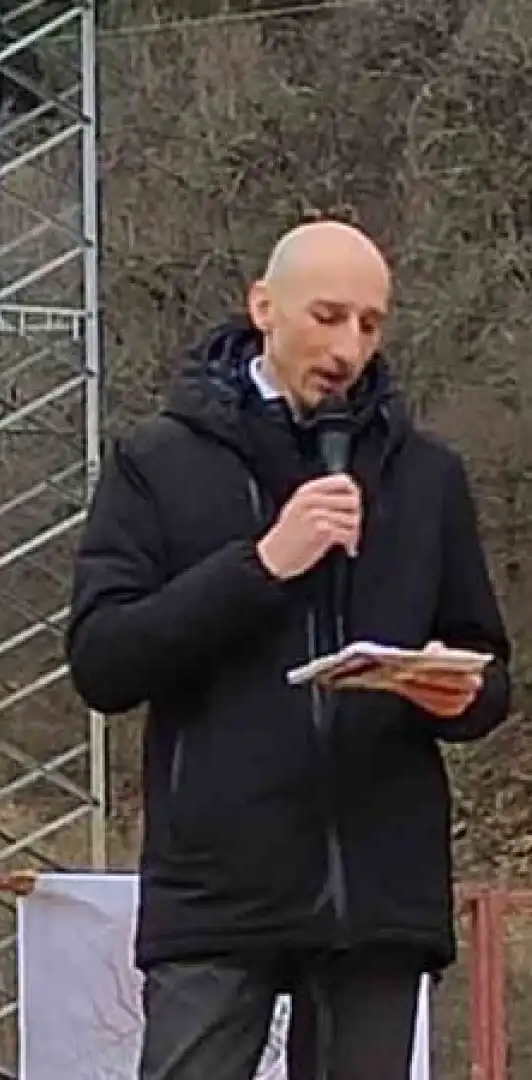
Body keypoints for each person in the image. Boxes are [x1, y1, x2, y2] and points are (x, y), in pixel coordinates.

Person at [66, 218, 512, 1080]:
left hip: (379, 889)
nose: (350, 347)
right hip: (218, 885)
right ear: (263, 308)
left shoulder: (427, 476)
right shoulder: (158, 460)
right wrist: (263, 564)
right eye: (329, 315)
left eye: (372, 324)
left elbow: (487, 664)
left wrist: (462, 692)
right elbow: (103, 659)